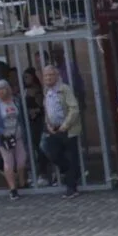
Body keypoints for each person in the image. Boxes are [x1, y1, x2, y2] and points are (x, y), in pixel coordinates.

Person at [37, 64, 82, 195]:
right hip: (54, 129)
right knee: (49, 150)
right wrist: (49, 125)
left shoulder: (64, 89)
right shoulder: (46, 91)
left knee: (71, 156)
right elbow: (47, 110)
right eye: (46, 75)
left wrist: (65, 125)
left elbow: (74, 109)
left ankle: (71, 187)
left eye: (51, 75)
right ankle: (72, 172)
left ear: (57, 76)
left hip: (68, 129)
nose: (48, 77)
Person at [0, 79, 28, 199]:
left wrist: (22, 130)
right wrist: (2, 131)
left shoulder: (15, 101)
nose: (1, 91)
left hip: (17, 135)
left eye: (3, 88)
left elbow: (20, 117)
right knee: (9, 162)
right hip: (4, 138)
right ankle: (13, 188)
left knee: (22, 160)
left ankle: (22, 181)